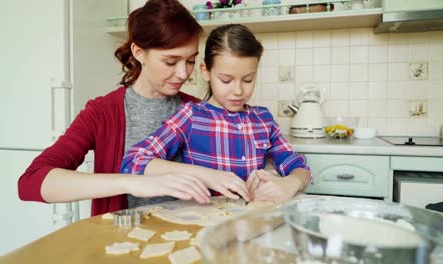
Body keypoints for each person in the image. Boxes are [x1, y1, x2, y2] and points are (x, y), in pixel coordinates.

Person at [17, 0, 247, 216]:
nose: (183, 73)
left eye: (189, 61)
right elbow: (32, 182)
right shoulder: (103, 113)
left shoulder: (200, 112)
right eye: (170, 61)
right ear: (139, 53)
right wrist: (132, 182)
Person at [121, 24, 312, 203]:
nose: (238, 91)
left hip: (252, 224)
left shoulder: (263, 119)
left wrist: (290, 183)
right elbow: (134, 161)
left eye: (248, 80)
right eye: (226, 80)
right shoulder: (191, 116)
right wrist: (203, 174)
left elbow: (299, 166)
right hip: (203, 226)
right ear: (206, 71)